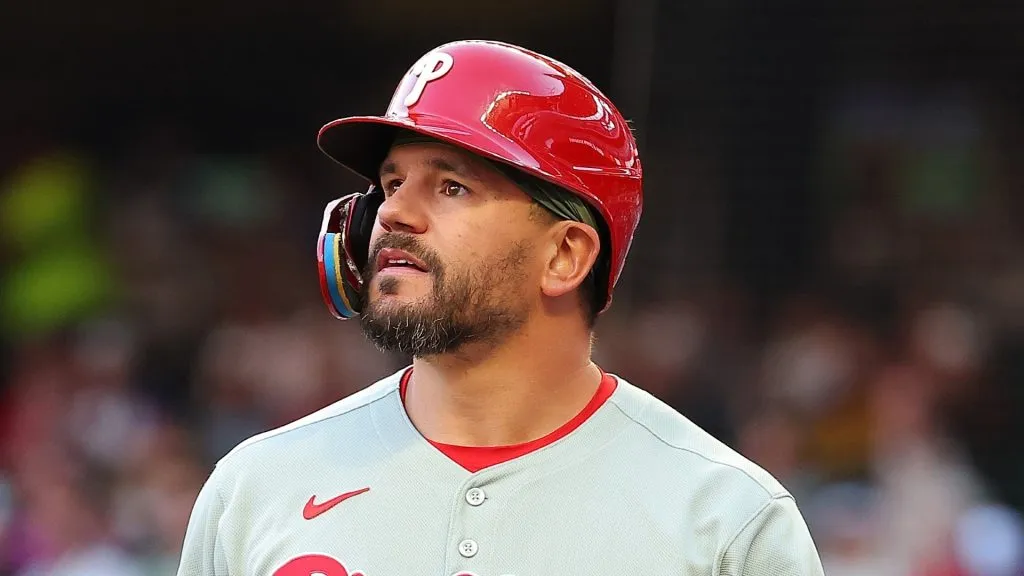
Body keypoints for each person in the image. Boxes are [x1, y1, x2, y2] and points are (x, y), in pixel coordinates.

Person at [176, 39, 825, 576]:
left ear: (565, 255)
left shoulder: (727, 520)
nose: (393, 213)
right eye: (392, 183)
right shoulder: (254, 490)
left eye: (451, 186)